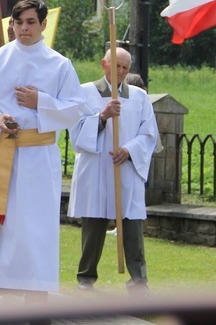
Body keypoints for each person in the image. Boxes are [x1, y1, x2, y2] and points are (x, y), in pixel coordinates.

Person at [0, 0, 85, 304]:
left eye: (31, 22)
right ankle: (8, 300)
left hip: (39, 159)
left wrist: (40, 101)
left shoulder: (59, 64)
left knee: (35, 231)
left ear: (43, 24)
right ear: (11, 24)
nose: (24, 28)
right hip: (3, 155)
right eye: (18, 22)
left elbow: (75, 110)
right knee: (6, 232)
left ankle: (37, 303)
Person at [68, 48, 158, 295]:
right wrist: (103, 116)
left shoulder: (139, 97)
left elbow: (149, 133)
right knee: (93, 225)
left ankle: (139, 282)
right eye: (116, 66)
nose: (120, 72)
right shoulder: (85, 93)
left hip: (125, 169)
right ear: (103, 64)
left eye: (125, 68)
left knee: (132, 226)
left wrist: (129, 150)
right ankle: (86, 278)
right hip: (96, 169)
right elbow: (75, 133)